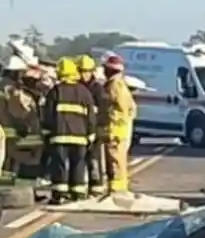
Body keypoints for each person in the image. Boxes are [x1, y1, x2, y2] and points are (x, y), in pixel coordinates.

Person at [42, 57, 97, 204]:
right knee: (78, 165)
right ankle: (77, 194)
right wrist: (91, 136)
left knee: (59, 165)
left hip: (59, 137)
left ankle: (59, 195)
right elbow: (91, 117)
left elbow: (48, 116)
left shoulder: (55, 91)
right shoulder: (84, 92)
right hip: (80, 138)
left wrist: (46, 134)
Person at [100, 55, 136, 193]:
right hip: (120, 129)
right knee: (119, 160)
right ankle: (118, 188)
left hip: (115, 129)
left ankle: (117, 190)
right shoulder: (120, 84)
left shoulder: (114, 85)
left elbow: (121, 107)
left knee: (115, 161)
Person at [77, 55, 108, 196]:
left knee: (94, 159)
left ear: (92, 72)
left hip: (94, 128)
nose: (84, 75)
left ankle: (96, 186)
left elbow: (103, 110)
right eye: (82, 71)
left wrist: (99, 128)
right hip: (79, 129)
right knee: (79, 159)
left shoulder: (97, 89)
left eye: (87, 71)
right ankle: (80, 187)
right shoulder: (76, 87)